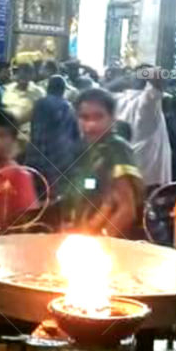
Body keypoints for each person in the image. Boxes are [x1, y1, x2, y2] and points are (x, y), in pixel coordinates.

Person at [59, 87, 144, 238]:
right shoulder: (86, 148)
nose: (91, 125)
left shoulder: (117, 148)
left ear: (112, 118)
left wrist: (102, 242)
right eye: (84, 117)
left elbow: (126, 209)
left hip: (105, 248)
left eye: (98, 117)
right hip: (79, 238)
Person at [114, 68, 172, 189]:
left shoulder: (118, 100)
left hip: (124, 171)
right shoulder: (145, 104)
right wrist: (145, 73)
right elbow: (158, 75)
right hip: (147, 178)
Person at [27, 74, 80, 193]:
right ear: (62, 90)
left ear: (48, 88)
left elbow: (36, 131)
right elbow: (76, 135)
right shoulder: (70, 108)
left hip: (41, 157)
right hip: (63, 158)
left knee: (39, 194)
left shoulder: (41, 103)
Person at [1, 62, 45, 137]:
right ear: (17, 73)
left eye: (27, 72)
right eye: (21, 71)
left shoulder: (39, 93)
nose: (24, 75)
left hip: (29, 136)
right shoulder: (6, 89)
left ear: (32, 75)